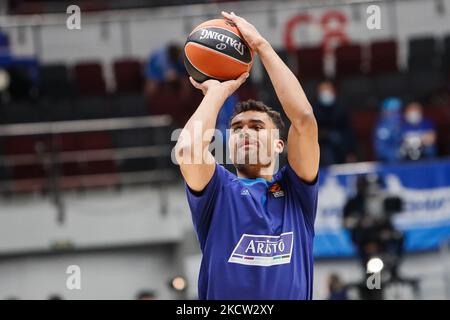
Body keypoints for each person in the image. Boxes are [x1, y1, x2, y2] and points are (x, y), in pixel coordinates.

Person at [175, 11, 320, 300]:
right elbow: (188, 150)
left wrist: (263, 47)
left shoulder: (296, 192)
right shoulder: (219, 190)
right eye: (237, 128)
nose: (245, 133)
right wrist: (216, 92)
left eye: (256, 127)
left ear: (279, 145)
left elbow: (303, 119)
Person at [314, 80, 356, 165]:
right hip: (322, 150)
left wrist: (351, 152)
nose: (325, 94)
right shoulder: (313, 111)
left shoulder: (342, 109)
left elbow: (349, 132)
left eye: (328, 90)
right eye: (323, 91)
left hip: (342, 149)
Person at [373, 97, 403, 163]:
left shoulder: (402, 124)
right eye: (392, 111)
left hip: (404, 163)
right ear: (385, 112)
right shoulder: (382, 127)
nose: (396, 114)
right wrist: (397, 153)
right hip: (388, 164)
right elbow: (381, 150)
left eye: (397, 111)